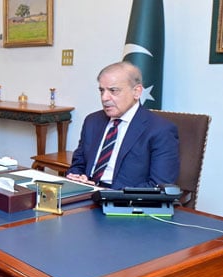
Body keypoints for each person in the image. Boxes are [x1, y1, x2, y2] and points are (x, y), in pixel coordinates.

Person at [66, 61, 179, 189]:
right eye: (102, 90)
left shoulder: (160, 130)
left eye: (113, 91)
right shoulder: (92, 121)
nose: (104, 98)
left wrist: (112, 196)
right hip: (86, 194)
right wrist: (76, 176)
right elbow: (78, 164)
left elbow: (159, 185)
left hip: (127, 202)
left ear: (136, 92)